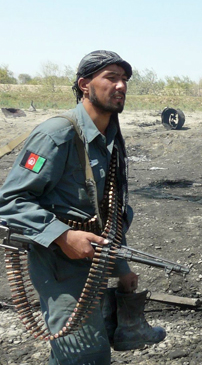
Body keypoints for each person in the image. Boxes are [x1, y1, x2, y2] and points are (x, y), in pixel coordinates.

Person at [0, 50, 165, 364]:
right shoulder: (58, 135)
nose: (121, 86)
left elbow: (108, 210)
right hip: (59, 265)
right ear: (84, 84)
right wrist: (63, 236)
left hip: (95, 261)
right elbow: (10, 202)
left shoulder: (108, 138)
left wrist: (122, 268)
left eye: (125, 79)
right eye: (111, 78)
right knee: (84, 355)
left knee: (85, 351)